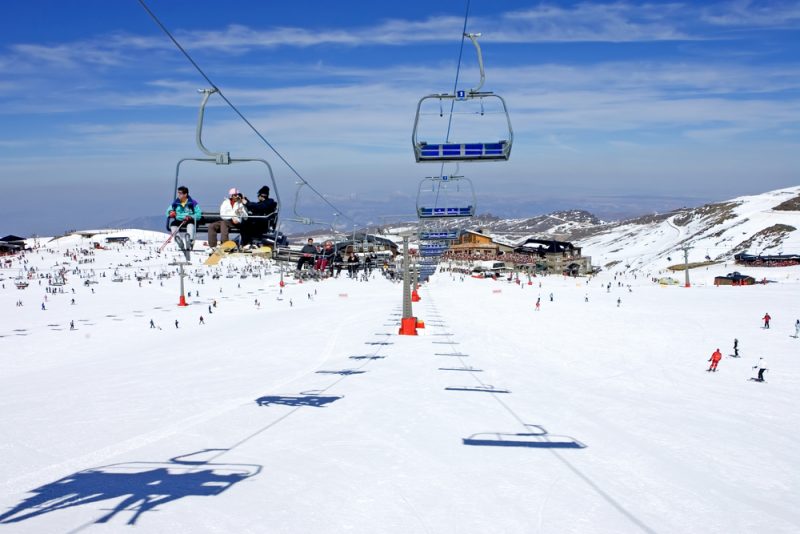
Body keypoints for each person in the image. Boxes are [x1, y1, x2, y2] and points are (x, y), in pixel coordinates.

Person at [166, 186, 202, 252]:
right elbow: (168, 211)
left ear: (185, 194)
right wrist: (171, 212)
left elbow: (198, 214)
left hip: (189, 219)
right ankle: (179, 239)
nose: (178, 195)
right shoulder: (176, 203)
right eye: (178, 193)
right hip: (179, 220)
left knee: (190, 224)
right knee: (173, 224)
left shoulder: (192, 203)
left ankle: (189, 241)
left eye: (180, 193)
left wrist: (191, 216)